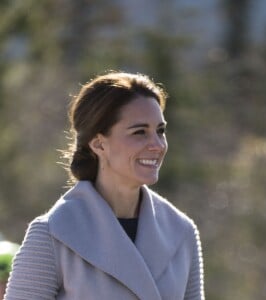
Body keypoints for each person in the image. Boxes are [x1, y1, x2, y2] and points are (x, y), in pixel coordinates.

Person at [4, 71, 205, 300]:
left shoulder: (182, 231)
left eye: (160, 131)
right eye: (139, 132)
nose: (157, 145)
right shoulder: (52, 233)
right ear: (98, 143)